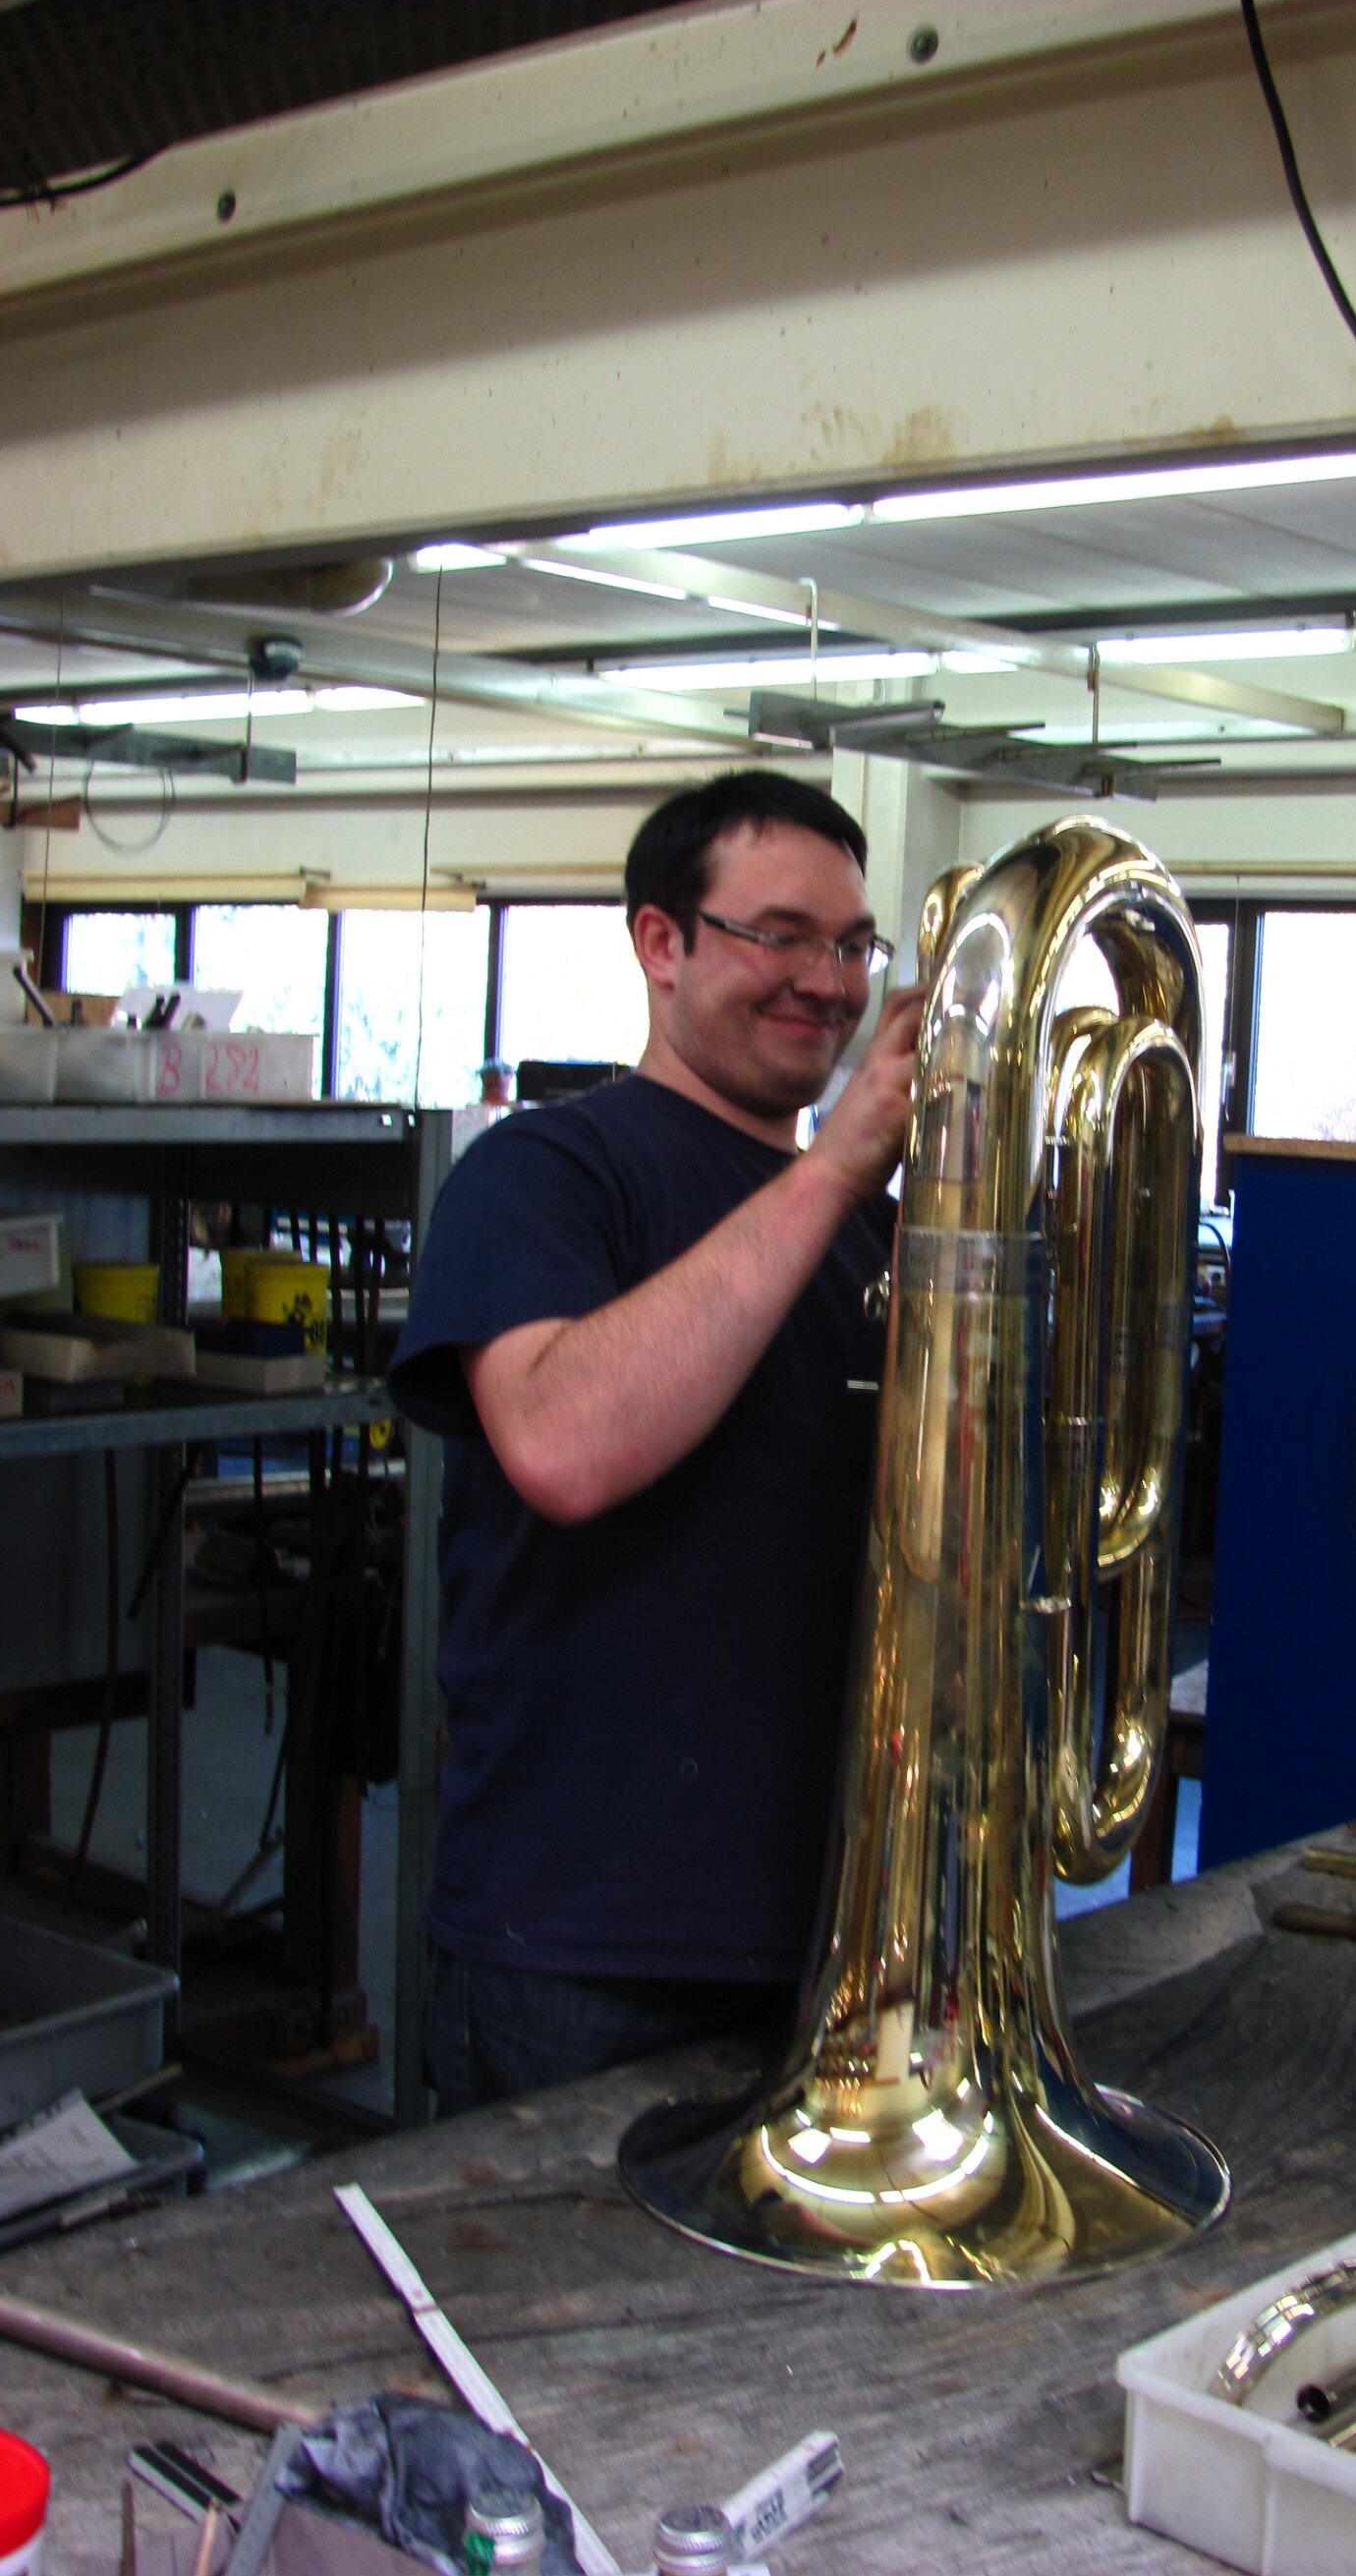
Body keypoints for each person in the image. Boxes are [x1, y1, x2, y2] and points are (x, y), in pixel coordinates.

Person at [388, 770, 928, 2115]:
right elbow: (564, 1446)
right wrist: (835, 1166)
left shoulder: (868, 1227)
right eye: (780, 935)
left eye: (852, 946)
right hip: (586, 1947)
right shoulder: (545, 1172)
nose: (827, 982)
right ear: (660, 941)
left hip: (839, 1932)